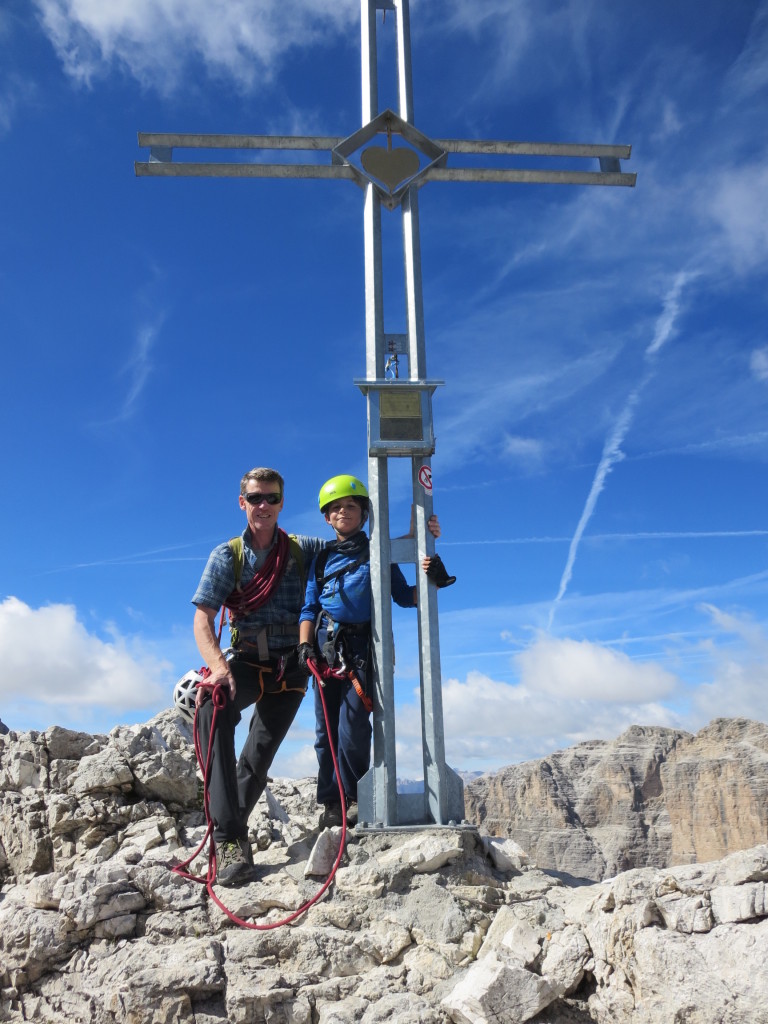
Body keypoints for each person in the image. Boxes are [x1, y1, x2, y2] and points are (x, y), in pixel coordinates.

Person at [296, 474, 454, 829]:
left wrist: (433, 582)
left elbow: (403, 596)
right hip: (325, 649)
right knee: (325, 730)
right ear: (326, 517)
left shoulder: (379, 552)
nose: (342, 512)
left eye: (350, 505)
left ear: (364, 513)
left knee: (352, 725)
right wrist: (305, 645)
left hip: (363, 649)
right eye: (335, 507)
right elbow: (309, 607)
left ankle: (353, 797)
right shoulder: (320, 560)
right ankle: (331, 802)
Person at [191, 467, 325, 886]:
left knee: (258, 755)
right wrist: (219, 669)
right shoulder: (226, 556)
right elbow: (203, 620)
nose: (262, 505)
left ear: (282, 503)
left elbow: (359, 548)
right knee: (212, 711)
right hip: (246, 661)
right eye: (254, 498)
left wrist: (419, 533)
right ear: (242, 502)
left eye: (271, 498)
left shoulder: (305, 549)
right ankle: (230, 838)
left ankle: (231, 835)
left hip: (292, 667)